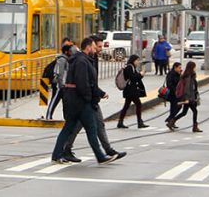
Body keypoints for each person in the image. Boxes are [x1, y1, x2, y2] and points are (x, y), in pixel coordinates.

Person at [51, 36, 120, 165]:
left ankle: (56, 154)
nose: (95, 50)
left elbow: (89, 83)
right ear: (88, 47)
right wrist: (89, 98)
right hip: (80, 102)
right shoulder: (82, 61)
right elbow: (83, 83)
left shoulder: (82, 60)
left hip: (75, 100)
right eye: (94, 47)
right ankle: (100, 156)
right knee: (91, 129)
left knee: (68, 128)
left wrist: (99, 93)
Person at [116, 54, 149, 129]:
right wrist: (140, 74)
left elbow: (137, 77)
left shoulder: (132, 67)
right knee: (138, 104)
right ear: (133, 60)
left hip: (130, 91)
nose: (138, 62)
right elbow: (133, 78)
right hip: (131, 91)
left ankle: (120, 122)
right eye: (137, 60)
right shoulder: (129, 67)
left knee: (126, 106)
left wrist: (141, 73)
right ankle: (139, 122)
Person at [45, 39, 73, 121]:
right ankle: (48, 116)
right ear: (66, 52)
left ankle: (67, 117)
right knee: (54, 100)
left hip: (63, 85)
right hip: (58, 85)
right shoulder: (62, 60)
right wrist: (60, 84)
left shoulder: (66, 59)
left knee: (65, 102)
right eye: (70, 51)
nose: (71, 53)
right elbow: (59, 73)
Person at [172, 60, 202, 132]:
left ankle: (171, 121)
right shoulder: (188, 76)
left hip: (190, 97)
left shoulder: (190, 75)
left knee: (184, 112)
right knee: (195, 111)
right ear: (192, 67)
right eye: (194, 67)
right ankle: (195, 127)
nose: (195, 68)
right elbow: (187, 89)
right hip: (189, 98)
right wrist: (188, 99)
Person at [165, 61, 183, 130]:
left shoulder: (178, 74)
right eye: (179, 67)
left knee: (176, 107)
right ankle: (170, 119)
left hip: (177, 94)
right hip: (172, 94)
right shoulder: (171, 74)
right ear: (175, 67)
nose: (180, 69)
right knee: (175, 107)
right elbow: (169, 84)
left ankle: (171, 120)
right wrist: (175, 90)